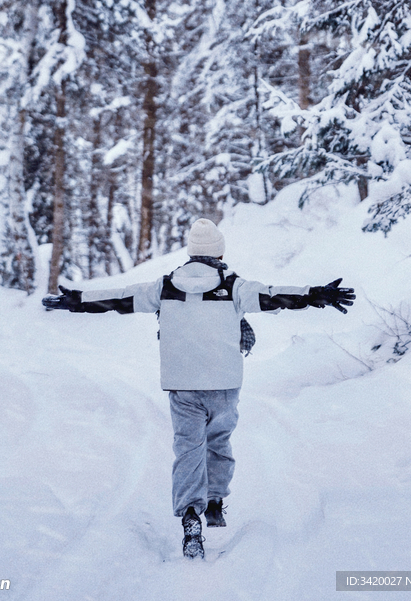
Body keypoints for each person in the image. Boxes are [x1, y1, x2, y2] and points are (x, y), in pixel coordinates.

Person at [42, 218, 355, 559]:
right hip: (223, 384)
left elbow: (121, 298)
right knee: (218, 440)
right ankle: (215, 501)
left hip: (182, 384)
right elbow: (271, 296)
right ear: (218, 252)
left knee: (188, 449)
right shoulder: (232, 285)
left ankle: (191, 514)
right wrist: (314, 295)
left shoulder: (165, 286)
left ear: (191, 253)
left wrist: (78, 300)